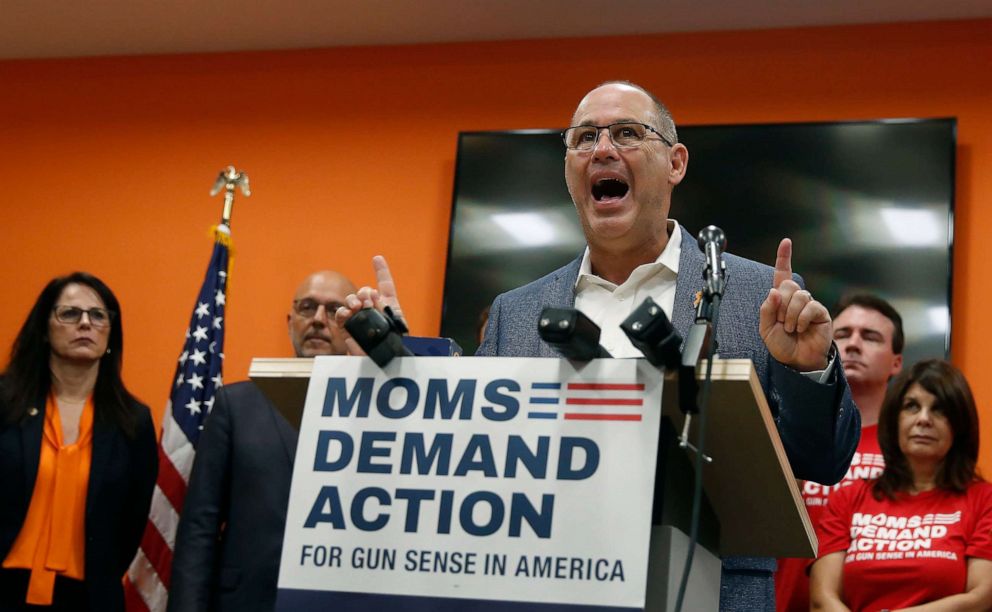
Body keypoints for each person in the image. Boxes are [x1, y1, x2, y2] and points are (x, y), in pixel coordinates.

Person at [474, 81, 861, 611]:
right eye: (584, 138)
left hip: (710, 592)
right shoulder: (515, 313)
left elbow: (824, 460)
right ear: (567, 168)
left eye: (628, 133)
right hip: (543, 589)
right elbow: (477, 465)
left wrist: (807, 370)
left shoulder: (754, 296)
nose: (603, 150)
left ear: (675, 162)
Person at [168, 264, 391, 612]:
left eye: (334, 310)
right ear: (290, 322)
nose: (318, 319)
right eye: (307, 307)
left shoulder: (383, 410)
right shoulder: (235, 404)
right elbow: (199, 527)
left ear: (355, 328)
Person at [0, 272, 158, 611]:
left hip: (89, 598)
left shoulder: (133, 422)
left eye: (98, 315)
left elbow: (132, 524)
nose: (85, 323)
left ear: (110, 334)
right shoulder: (3, 404)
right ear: (44, 329)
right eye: (70, 313)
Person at [810, 359, 992, 610]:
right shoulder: (848, 497)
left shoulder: (984, 499)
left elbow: (982, 598)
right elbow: (822, 600)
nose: (924, 419)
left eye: (939, 409)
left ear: (959, 425)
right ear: (894, 419)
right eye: (911, 406)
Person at [775, 294, 904, 611]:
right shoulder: (789, 433)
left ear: (897, 362)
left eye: (870, 337)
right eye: (843, 334)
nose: (854, 344)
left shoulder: (909, 452)